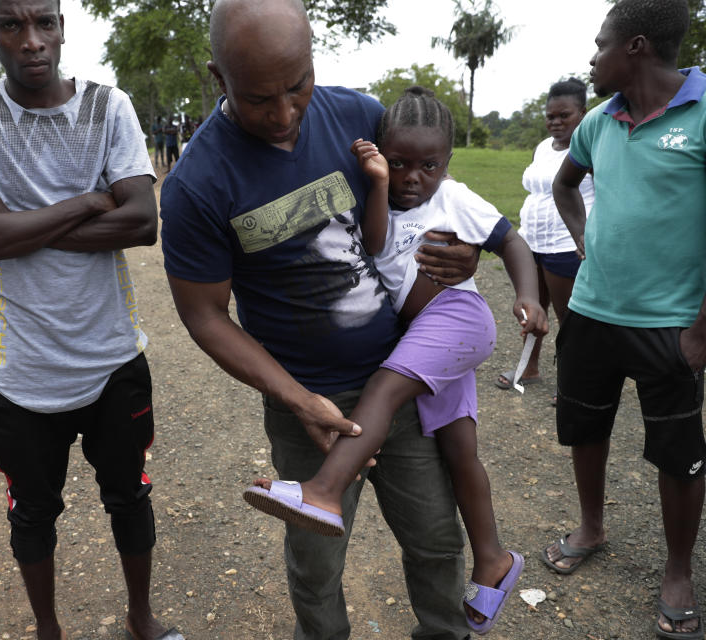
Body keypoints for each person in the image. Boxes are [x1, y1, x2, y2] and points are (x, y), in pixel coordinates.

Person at [160, 0, 482, 637]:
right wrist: (297, 400)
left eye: (297, 85)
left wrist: (459, 255)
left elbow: (423, 198)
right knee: (316, 563)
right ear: (218, 79)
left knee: (436, 539)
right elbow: (203, 315)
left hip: (401, 377)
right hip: (306, 402)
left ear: (313, 61)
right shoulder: (198, 182)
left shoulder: (359, 116)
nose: (283, 115)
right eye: (258, 99)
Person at [245, 86, 547, 633]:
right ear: (381, 153)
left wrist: (528, 295)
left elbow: (511, 240)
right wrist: (380, 182)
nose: (413, 176)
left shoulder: (453, 196)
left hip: (453, 321)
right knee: (462, 453)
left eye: (428, 165)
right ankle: (494, 560)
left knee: (382, 393)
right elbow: (381, 242)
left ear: (447, 163)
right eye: (400, 163)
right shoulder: (374, 188)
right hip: (425, 345)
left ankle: (324, 488)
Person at [0, 1, 177, 639]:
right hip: (24, 375)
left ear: (64, 24)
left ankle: (142, 617)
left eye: (45, 22)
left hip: (114, 358)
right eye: (12, 25)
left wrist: (10, 217)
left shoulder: (108, 107)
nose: (32, 41)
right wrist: (94, 199)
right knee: (32, 516)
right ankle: (47, 629)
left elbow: (142, 223)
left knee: (131, 497)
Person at [541, 1, 706, 637]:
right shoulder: (600, 122)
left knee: (678, 450)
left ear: (635, 46)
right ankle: (592, 527)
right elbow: (565, 184)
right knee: (585, 426)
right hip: (590, 314)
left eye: (600, 43)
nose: (591, 56)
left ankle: (679, 569)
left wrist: (702, 327)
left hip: (672, 325)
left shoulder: (700, 111)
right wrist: (585, 246)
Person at [494, 78, 594, 405]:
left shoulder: (591, 147)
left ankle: (573, 383)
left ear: (583, 113)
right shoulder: (542, 147)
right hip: (532, 240)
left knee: (569, 320)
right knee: (532, 310)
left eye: (563, 115)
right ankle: (529, 367)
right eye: (550, 115)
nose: (555, 121)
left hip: (567, 243)